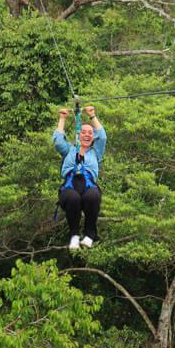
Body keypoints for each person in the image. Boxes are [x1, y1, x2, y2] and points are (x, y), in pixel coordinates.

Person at [53, 105, 106, 251]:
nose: (87, 135)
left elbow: (102, 136)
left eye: (90, 133)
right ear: (78, 135)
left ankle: (90, 234)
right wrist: (62, 119)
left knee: (93, 196)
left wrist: (92, 116)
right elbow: (58, 141)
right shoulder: (69, 149)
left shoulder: (95, 152)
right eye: (83, 132)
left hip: (88, 184)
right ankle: (74, 235)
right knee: (72, 198)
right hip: (70, 185)